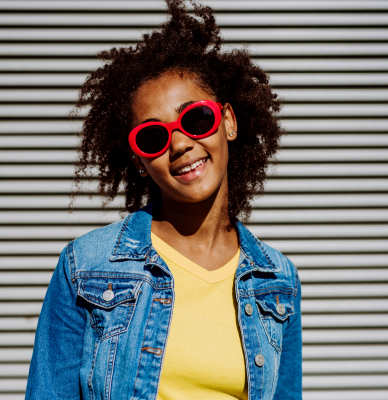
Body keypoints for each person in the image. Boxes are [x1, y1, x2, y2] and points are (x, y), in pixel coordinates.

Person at [25, 0, 302, 399]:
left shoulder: (277, 281)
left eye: (196, 119)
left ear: (227, 122)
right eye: (153, 137)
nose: (180, 145)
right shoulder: (86, 267)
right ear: (139, 160)